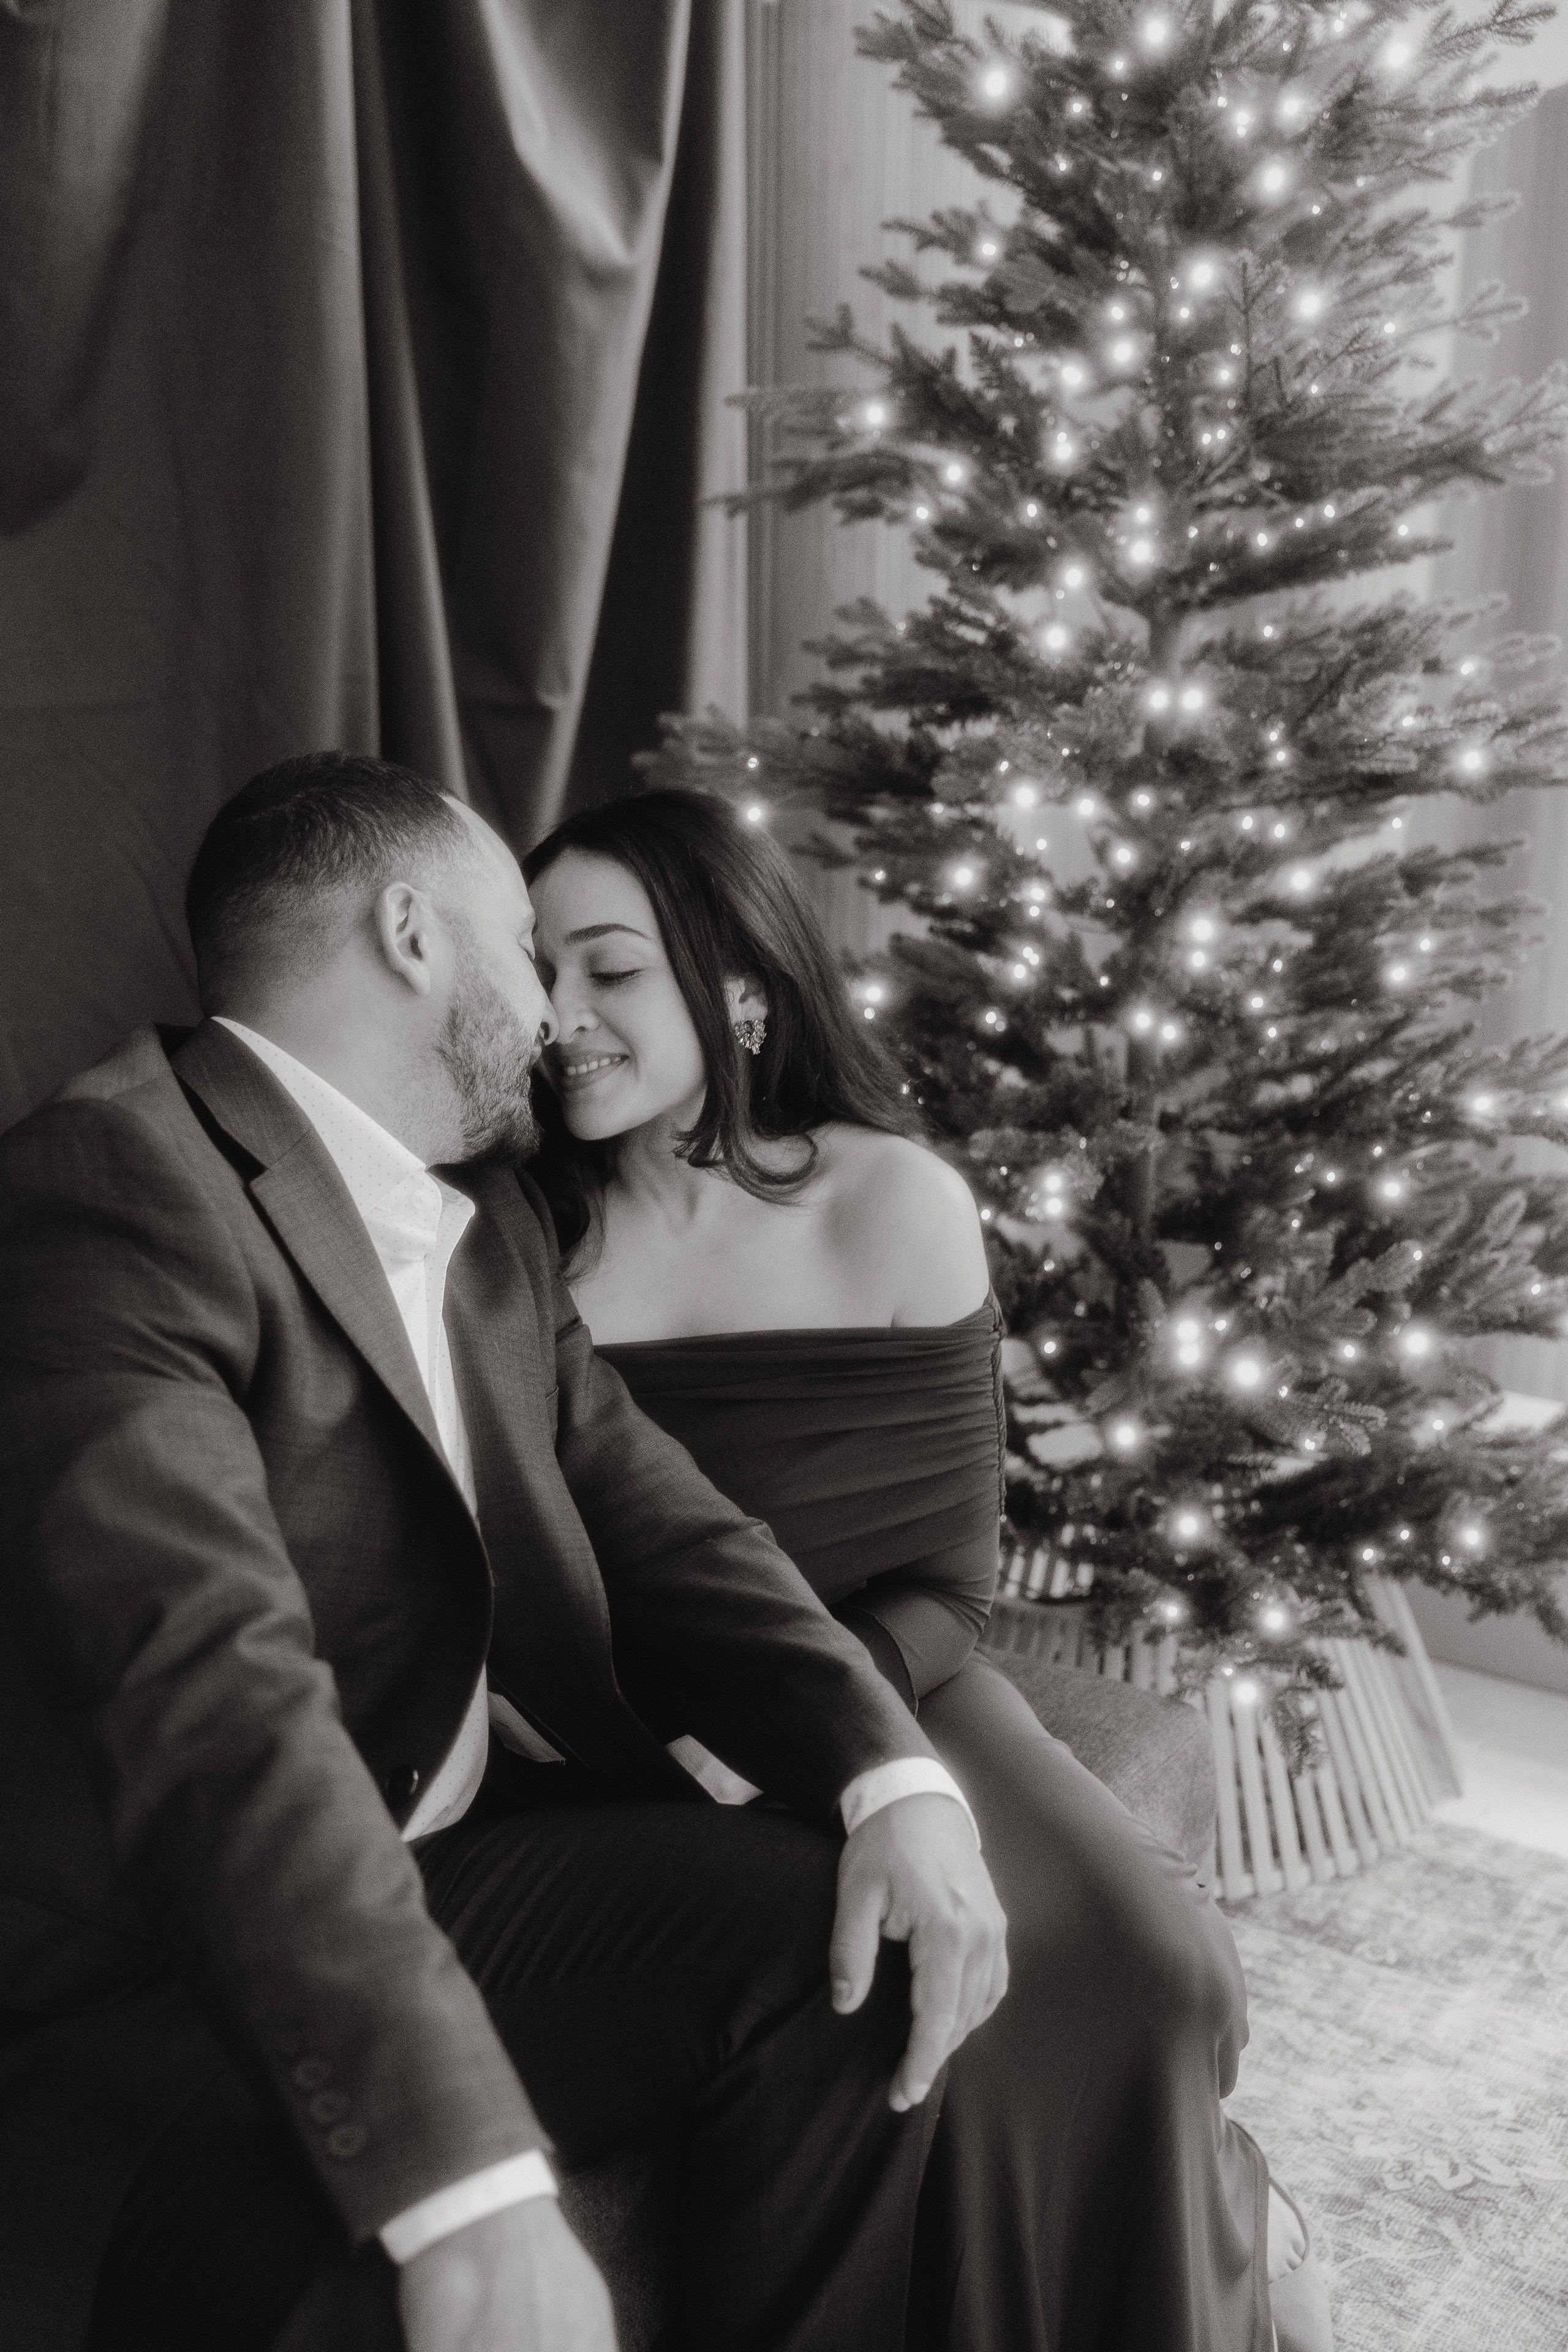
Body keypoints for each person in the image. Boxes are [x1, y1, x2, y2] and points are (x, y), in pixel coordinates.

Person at [0, 753, 1011, 2352]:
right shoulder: (108, 1186)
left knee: (860, 1950)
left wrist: (889, 1771)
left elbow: (662, 1515)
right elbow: (209, 1685)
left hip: (460, 1844)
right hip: (191, 1936)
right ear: (413, 933)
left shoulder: (491, 1215)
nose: (550, 1011)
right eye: (523, 954)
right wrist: (468, 2189)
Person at [524, 785, 1334, 2352]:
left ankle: (1221, 2232)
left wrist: (824, 1728)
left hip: (886, 1696)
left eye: (607, 970)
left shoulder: (893, 1199)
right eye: (537, 970)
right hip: (649, 1761)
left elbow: (953, 1579)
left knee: (1147, 1967)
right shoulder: (519, 1243)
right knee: (909, 2009)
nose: (558, 1016)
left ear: (738, 987)